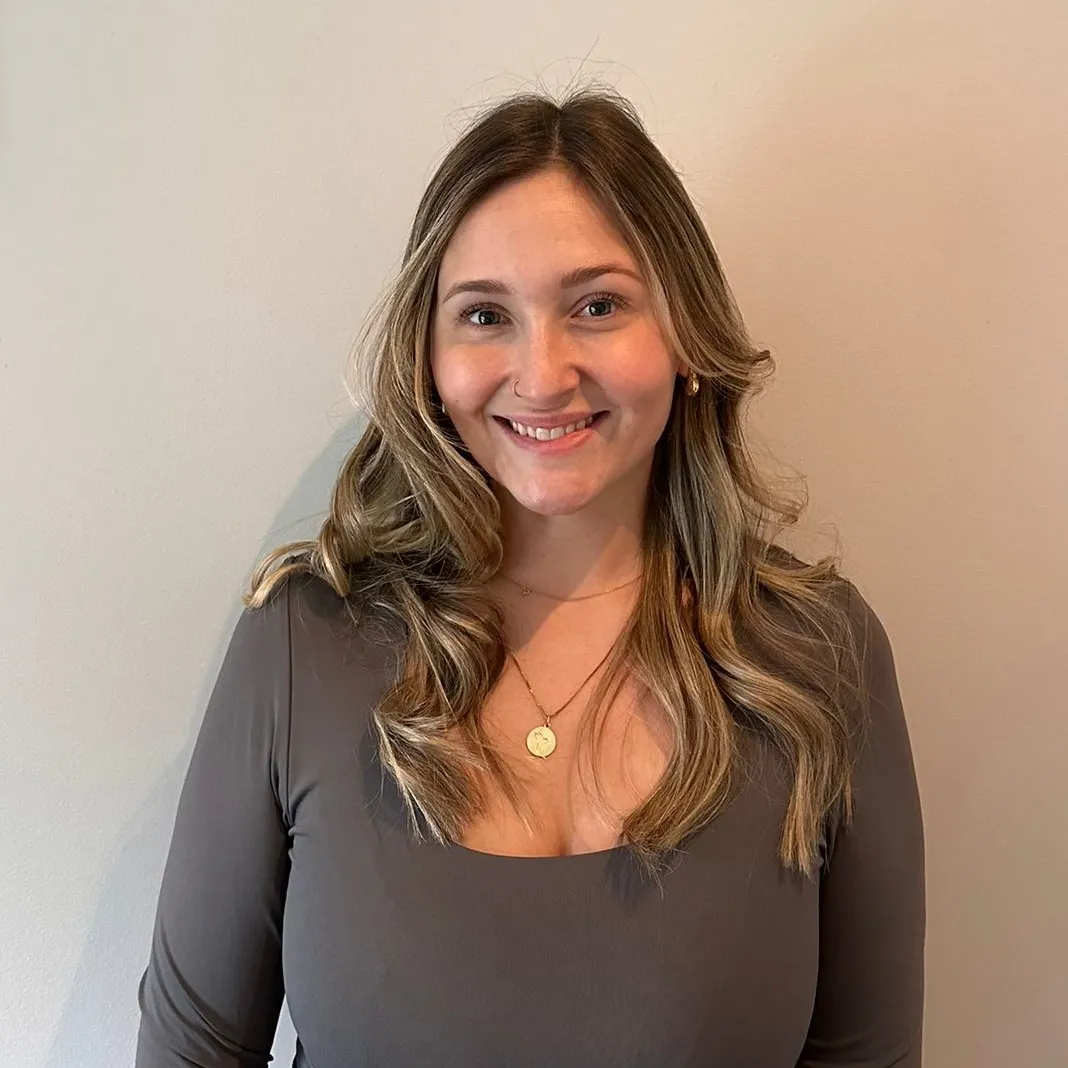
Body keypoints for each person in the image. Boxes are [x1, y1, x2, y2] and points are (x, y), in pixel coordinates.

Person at [134, 84, 925, 1067]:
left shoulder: (818, 657)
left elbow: (866, 1054)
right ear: (428, 357)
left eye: (597, 305)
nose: (543, 374)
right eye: (484, 315)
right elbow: (195, 1047)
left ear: (682, 336)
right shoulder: (302, 645)